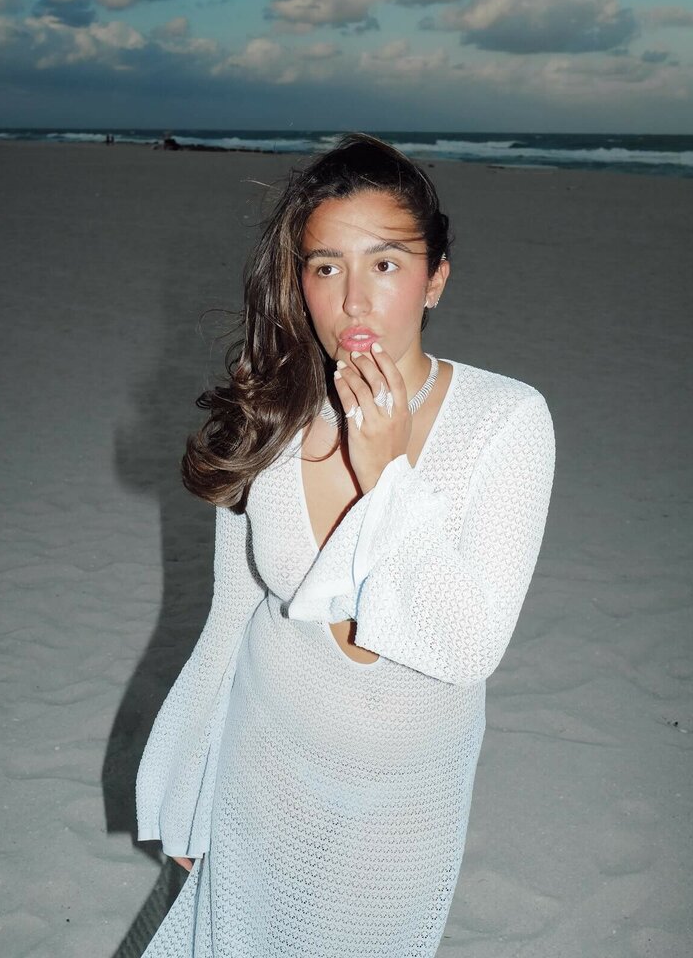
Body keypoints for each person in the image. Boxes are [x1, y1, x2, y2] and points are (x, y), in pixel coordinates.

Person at [133, 133, 556, 955]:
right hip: (263, 761)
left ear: (436, 278)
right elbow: (232, 613)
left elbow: (468, 647)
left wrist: (388, 472)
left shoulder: (506, 421)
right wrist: (189, 775)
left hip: (404, 801)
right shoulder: (274, 412)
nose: (354, 301)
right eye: (326, 268)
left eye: (385, 264)